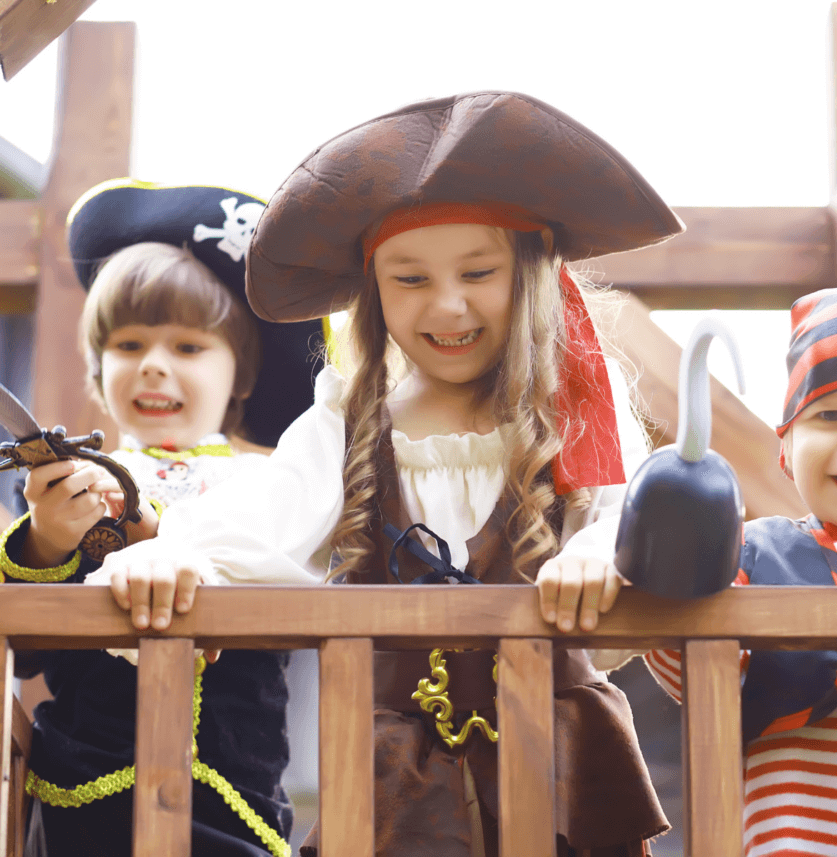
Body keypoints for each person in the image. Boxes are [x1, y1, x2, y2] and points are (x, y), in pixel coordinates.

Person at [95, 91, 684, 856]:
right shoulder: (348, 424)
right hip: (397, 796)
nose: (447, 304)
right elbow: (259, 523)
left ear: (529, 274)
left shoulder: (575, 419)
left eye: (478, 270)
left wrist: (599, 554)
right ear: (374, 291)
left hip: (563, 783)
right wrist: (174, 553)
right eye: (410, 278)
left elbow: (629, 524)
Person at [556, 281, 837, 856]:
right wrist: (642, 564)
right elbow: (690, 661)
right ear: (787, 448)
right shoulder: (751, 556)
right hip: (793, 844)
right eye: (830, 416)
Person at [0, 179, 324, 857]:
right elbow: (23, 647)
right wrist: (46, 538)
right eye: (128, 345)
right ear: (97, 368)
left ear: (241, 373)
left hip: (232, 788)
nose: (153, 366)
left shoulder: (275, 485)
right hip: (86, 787)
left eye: (187, 347)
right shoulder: (68, 486)